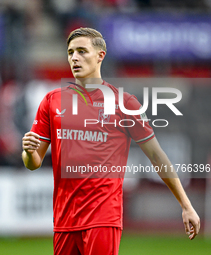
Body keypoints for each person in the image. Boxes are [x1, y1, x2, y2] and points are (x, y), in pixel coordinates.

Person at [21, 27, 200, 255]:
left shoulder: (124, 103)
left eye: (82, 51)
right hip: (64, 219)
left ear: (100, 56)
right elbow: (33, 163)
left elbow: (157, 155)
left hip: (103, 216)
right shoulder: (52, 101)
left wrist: (186, 205)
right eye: (70, 52)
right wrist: (28, 151)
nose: (74, 58)